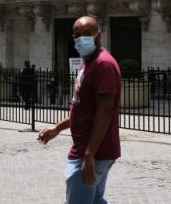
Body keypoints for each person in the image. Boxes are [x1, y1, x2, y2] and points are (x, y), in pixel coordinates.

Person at [37, 16, 121, 204]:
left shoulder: (103, 64)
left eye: (87, 33)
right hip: (89, 150)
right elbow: (83, 108)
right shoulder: (89, 62)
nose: (81, 38)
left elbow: (105, 112)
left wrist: (89, 155)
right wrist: (57, 128)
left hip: (92, 152)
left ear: (98, 35)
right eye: (77, 35)